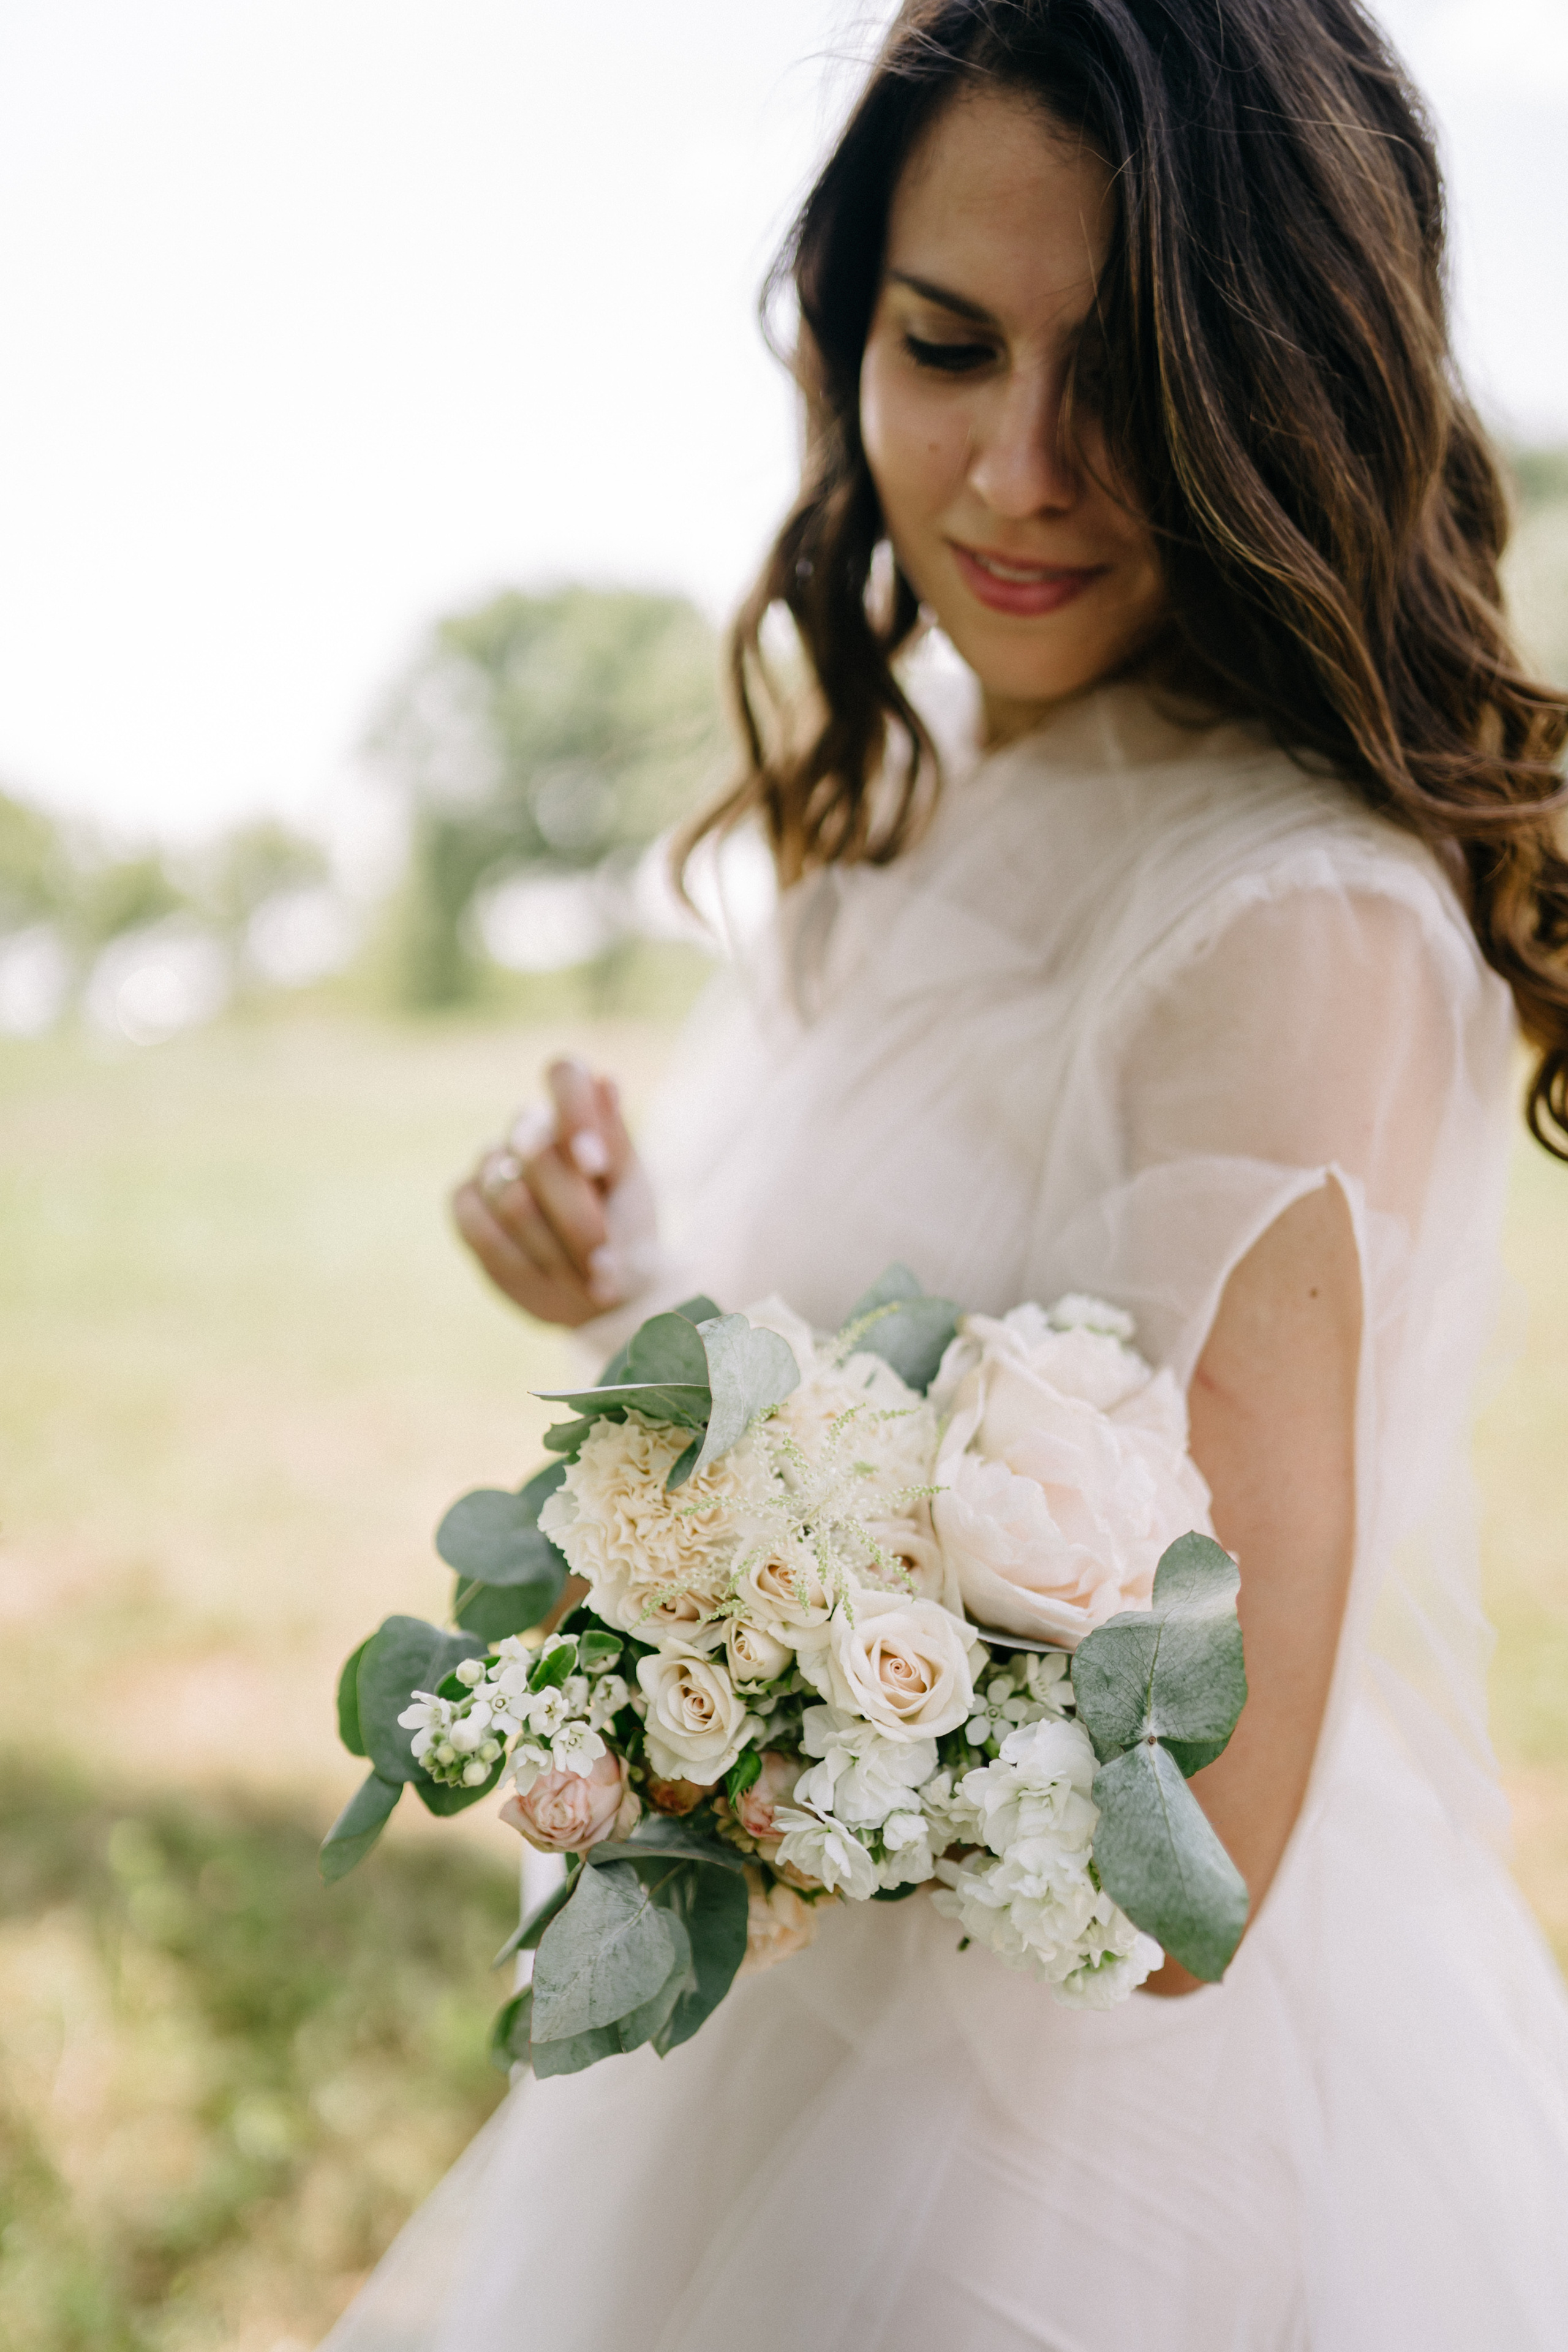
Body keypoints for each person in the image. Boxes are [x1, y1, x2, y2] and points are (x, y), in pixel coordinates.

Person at [325, 2, 1568, 2345]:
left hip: (1065, 2171)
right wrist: (635, 1285)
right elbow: (936, 1420)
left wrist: (677, 1725)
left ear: (1283, 381)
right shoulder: (920, 815)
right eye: (946, 342)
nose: (1017, 469)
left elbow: (1188, 1862)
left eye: (1127, 369)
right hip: (793, 2042)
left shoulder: (1278, 925)